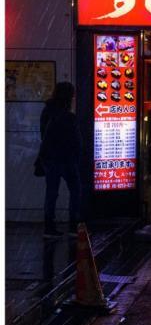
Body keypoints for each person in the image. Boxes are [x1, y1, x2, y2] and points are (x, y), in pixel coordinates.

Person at [40, 82, 83, 236]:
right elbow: (76, 140)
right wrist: (77, 157)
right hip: (67, 159)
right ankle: (73, 225)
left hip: (50, 158)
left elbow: (43, 134)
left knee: (51, 192)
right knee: (76, 190)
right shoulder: (69, 116)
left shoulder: (47, 111)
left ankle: (49, 226)